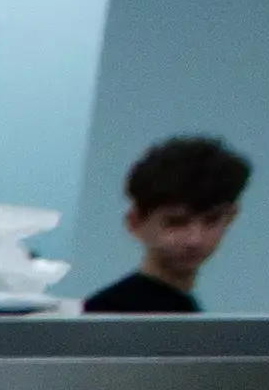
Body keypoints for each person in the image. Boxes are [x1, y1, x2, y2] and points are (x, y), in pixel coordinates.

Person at [89, 133, 251, 313]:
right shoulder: (106, 314)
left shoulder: (184, 308)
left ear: (231, 217)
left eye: (211, 220)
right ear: (135, 222)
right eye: (176, 223)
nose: (195, 239)